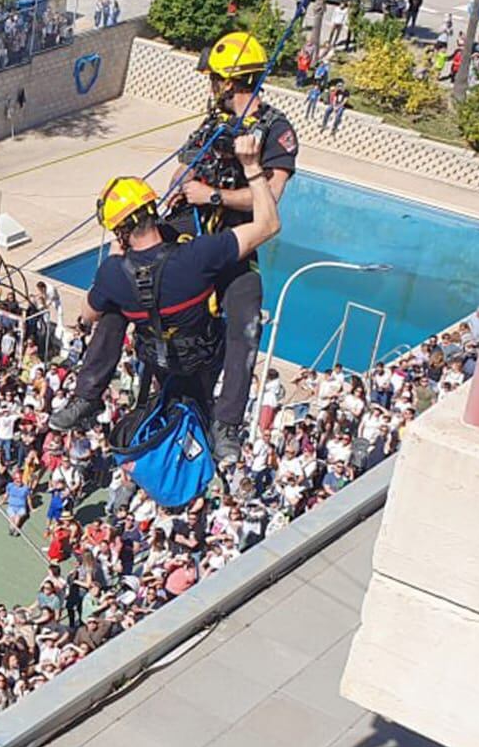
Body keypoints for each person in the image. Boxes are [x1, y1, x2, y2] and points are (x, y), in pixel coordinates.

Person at [52, 128, 282, 457]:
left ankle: (87, 396)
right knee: (245, 318)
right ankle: (226, 424)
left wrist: (115, 259)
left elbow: (88, 315)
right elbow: (269, 225)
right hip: (202, 349)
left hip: (156, 354)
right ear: (153, 211)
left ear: (120, 232)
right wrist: (251, 167)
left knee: (112, 309)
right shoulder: (199, 256)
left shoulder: (113, 274)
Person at [135, 31, 297, 463]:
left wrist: (213, 195)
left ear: (228, 81)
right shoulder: (213, 123)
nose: (210, 87)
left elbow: (268, 199)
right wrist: (177, 187)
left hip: (235, 239)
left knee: (246, 321)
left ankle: (226, 423)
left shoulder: (275, 130)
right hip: (191, 230)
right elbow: (183, 168)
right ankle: (139, 389)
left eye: (213, 80)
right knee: (135, 277)